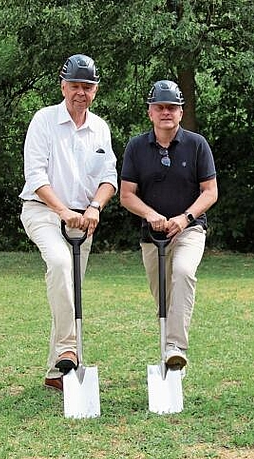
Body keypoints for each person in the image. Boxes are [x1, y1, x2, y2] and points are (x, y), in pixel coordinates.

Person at [19, 54, 118, 392]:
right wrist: (62, 211)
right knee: (60, 264)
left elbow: (109, 177)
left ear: (95, 90)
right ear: (63, 86)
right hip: (42, 210)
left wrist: (95, 207)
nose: (81, 92)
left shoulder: (100, 128)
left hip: (83, 218)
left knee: (69, 290)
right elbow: (35, 176)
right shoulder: (44, 120)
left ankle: (54, 372)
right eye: (75, 85)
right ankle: (68, 349)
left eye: (87, 86)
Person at [120, 80, 217, 370]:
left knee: (184, 273)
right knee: (163, 297)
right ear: (150, 112)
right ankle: (169, 352)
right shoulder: (136, 147)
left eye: (172, 107)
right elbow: (126, 195)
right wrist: (151, 215)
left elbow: (210, 191)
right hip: (152, 235)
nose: (166, 112)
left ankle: (176, 350)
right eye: (160, 107)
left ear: (180, 112)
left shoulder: (197, 144)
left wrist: (185, 218)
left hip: (189, 229)